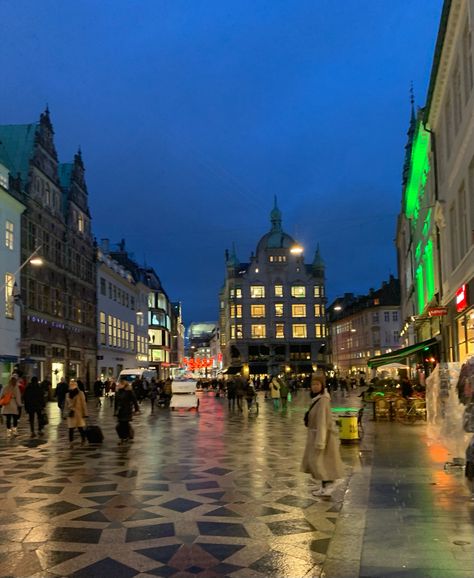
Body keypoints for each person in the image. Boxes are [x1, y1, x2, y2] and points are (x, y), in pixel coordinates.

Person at [301, 374, 345, 497]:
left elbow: (322, 421)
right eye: (313, 384)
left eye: (317, 384)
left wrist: (320, 440)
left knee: (320, 462)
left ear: (322, 386)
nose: (314, 387)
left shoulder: (323, 400)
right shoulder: (317, 399)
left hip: (322, 436)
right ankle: (324, 486)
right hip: (316, 434)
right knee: (319, 462)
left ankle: (329, 485)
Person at [114, 378, 139, 443]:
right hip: (120, 411)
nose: (118, 385)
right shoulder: (118, 391)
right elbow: (116, 402)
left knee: (123, 424)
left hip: (126, 410)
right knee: (120, 425)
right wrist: (115, 411)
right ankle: (124, 437)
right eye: (118, 384)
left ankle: (125, 437)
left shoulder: (129, 391)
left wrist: (136, 409)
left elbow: (134, 400)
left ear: (124, 385)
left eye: (120, 384)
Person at [66, 379, 88, 446]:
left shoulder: (80, 393)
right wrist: (64, 413)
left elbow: (83, 404)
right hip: (71, 413)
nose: (72, 385)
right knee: (71, 429)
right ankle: (71, 442)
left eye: (73, 384)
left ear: (76, 385)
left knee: (80, 428)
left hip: (78, 413)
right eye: (70, 384)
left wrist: (85, 413)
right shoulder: (67, 394)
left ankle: (83, 439)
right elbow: (66, 405)